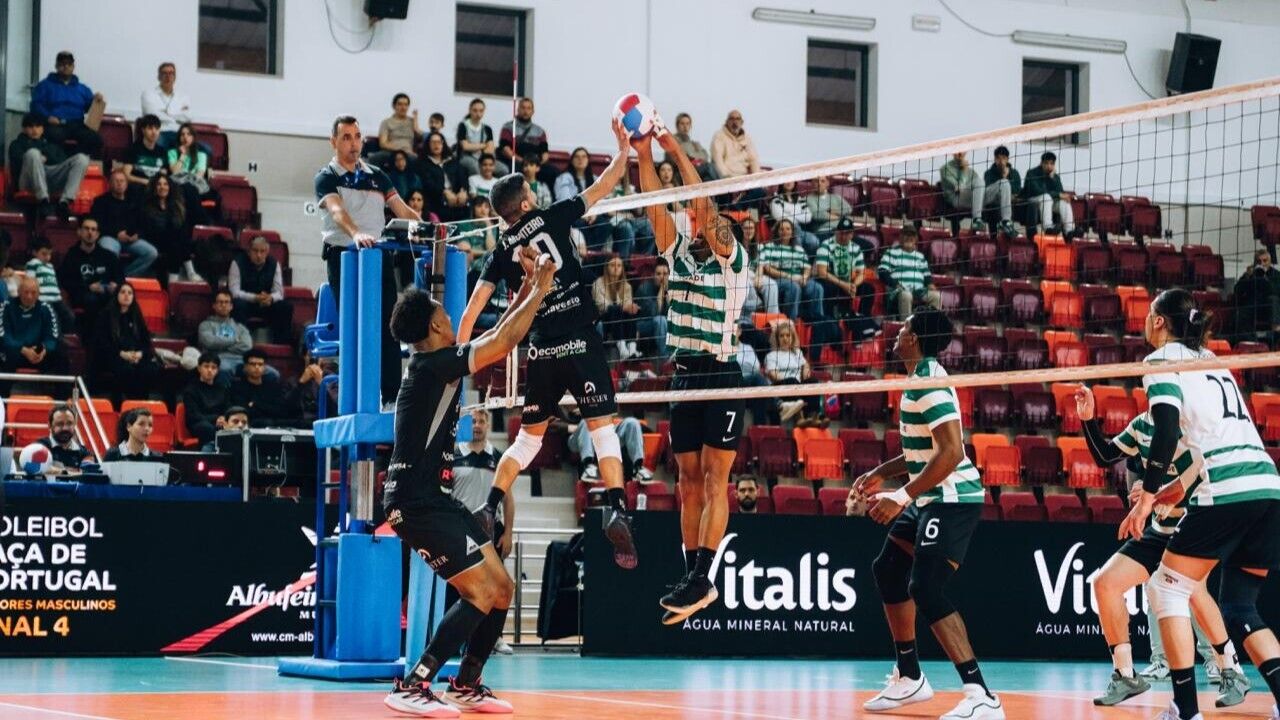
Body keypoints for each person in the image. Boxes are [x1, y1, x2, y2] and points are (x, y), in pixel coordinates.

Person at [380, 251, 555, 716]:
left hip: (434, 499)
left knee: (501, 588)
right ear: (436, 328)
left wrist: (527, 288)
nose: (450, 314)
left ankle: (467, 682)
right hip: (415, 504)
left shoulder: (436, 361)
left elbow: (502, 333)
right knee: (480, 592)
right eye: (443, 311)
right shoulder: (433, 365)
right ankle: (414, 683)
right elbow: (503, 340)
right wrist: (539, 289)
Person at [459, 119, 639, 571]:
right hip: (580, 338)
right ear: (525, 201)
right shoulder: (552, 216)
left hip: (541, 348)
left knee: (525, 442)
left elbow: (472, 308)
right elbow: (603, 186)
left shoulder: (500, 249)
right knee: (602, 431)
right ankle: (617, 507)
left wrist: (458, 358)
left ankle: (491, 504)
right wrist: (623, 149)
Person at [1122, 289, 1280, 720]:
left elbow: (1167, 432)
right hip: (1267, 486)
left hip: (1228, 490)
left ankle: (1185, 709)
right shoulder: (1212, 360)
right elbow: (1210, 440)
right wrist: (1174, 489)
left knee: (1166, 589)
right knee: (1239, 606)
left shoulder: (1159, 361)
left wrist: (1147, 497)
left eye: (1148, 313)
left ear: (1158, 321)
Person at [851, 309, 1003, 719]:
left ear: (915, 338)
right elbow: (922, 451)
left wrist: (899, 496)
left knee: (926, 586)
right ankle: (910, 677)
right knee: (888, 569)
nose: (895, 334)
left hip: (953, 498)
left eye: (901, 329)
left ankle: (981, 696)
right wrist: (878, 473)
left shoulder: (931, 383)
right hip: (928, 497)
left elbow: (952, 453)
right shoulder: (918, 379)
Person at [630, 114, 750, 623]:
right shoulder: (676, 246)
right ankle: (691, 575)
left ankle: (705, 576)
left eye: (701, 220)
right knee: (688, 481)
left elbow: (698, 200)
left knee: (716, 480)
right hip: (685, 374)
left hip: (721, 373)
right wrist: (640, 152)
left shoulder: (731, 253)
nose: (694, 225)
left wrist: (670, 144)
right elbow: (657, 198)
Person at [1073, 386, 1250, 708]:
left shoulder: (1193, 429)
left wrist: (1151, 496)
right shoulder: (1141, 425)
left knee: (1193, 591)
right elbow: (1105, 455)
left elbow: (1189, 483)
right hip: (1160, 528)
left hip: (1195, 524)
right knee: (1105, 583)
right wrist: (1088, 420)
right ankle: (1126, 675)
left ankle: (1231, 669)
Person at [315, 115, 423, 407]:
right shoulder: (326, 176)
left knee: (390, 325)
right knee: (355, 327)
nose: (353, 143)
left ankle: (389, 398)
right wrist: (357, 233)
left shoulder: (377, 175)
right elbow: (337, 212)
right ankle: (355, 397)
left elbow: (401, 209)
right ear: (333, 141)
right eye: (346, 137)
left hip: (378, 258)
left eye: (357, 136)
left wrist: (429, 227)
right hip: (345, 258)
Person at [450, 409, 514, 558]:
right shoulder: (452, 456)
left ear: (488, 425)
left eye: (481, 422)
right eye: (473, 422)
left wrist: (508, 533)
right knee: (459, 581)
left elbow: (508, 499)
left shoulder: (500, 458)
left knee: (492, 581)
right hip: (460, 530)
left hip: (492, 531)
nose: (477, 426)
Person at [9, 112, 90, 220]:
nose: (34, 130)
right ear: (24, 129)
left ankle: (64, 203)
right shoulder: (16, 144)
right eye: (30, 127)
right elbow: (17, 165)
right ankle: (43, 200)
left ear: (42, 129)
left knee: (82, 159)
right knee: (33, 154)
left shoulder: (51, 145)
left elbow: (62, 161)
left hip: (51, 179)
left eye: (38, 126)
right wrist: (37, 158)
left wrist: (46, 158)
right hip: (28, 181)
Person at [0, 277, 69, 399]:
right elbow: (4, 336)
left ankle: (61, 404)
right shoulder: (6, 307)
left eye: (33, 293)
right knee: (5, 355)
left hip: (38, 353)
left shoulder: (46, 308)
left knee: (62, 357)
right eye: (26, 292)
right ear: (19, 292)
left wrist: (44, 350)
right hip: (15, 352)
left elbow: (53, 336)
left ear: (39, 294)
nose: (29, 296)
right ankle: (3, 403)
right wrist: (23, 350)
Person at [93, 282, 160, 403]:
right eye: (123, 292)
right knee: (125, 370)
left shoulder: (136, 315)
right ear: (116, 295)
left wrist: (140, 354)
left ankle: (141, 404)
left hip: (134, 356)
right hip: (113, 355)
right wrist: (122, 354)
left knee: (150, 369)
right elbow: (102, 342)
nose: (126, 295)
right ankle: (119, 404)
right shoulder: (106, 314)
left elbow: (146, 341)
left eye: (130, 293)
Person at [30, 51, 103, 156]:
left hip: (77, 125)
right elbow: (35, 105)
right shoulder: (45, 85)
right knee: (54, 136)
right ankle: (59, 163)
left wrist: (96, 101)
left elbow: (89, 108)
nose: (66, 67)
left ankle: (76, 161)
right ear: (56, 66)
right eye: (62, 64)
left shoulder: (82, 89)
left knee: (95, 139)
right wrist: (47, 117)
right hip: (56, 124)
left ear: (73, 66)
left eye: (69, 64)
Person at [58, 216, 122, 333]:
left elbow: (120, 278)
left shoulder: (109, 256)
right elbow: (65, 281)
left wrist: (115, 286)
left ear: (98, 234)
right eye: (86, 229)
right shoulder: (71, 256)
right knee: (91, 299)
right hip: (82, 296)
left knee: (123, 298)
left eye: (93, 229)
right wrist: (88, 287)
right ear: (79, 232)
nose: (90, 233)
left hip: (106, 296)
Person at [91, 169, 159, 276]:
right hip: (110, 237)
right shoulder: (100, 201)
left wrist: (137, 235)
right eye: (116, 181)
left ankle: (124, 276)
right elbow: (97, 225)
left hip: (130, 240)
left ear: (127, 184)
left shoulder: (134, 201)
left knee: (151, 253)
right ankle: (111, 279)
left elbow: (143, 223)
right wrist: (116, 234)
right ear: (109, 184)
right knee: (109, 251)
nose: (119, 183)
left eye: (122, 181)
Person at [229, 236, 293, 344]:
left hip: (266, 304)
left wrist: (270, 298)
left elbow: (279, 292)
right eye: (255, 251)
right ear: (249, 251)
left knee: (285, 307)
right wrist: (255, 298)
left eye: (262, 251)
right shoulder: (237, 263)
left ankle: (280, 346)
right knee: (237, 304)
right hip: (246, 304)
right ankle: (240, 342)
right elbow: (234, 291)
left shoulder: (274, 264)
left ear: (267, 252)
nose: (259, 255)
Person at [758, 219, 823, 322]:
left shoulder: (798, 249)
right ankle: (790, 321)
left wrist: (805, 277)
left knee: (817, 287)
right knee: (794, 287)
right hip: (779, 279)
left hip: (799, 278)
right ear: (777, 232)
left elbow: (807, 267)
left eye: (788, 229)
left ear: (792, 232)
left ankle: (817, 321)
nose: (785, 231)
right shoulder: (769, 247)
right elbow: (767, 268)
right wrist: (790, 277)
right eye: (781, 229)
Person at [765, 319, 823, 426]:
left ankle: (814, 417)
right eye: (782, 336)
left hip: (797, 386)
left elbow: (805, 365)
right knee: (792, 380)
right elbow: (774, 376)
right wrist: (794, 382)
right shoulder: (771, 356)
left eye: (788, 335)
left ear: (792, 337)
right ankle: (799, 417)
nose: (785, 338)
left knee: (813, 381)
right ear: (777, 339)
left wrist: (806, 369)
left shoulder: (797, 353)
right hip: (780, 388)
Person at [142, 174, 199, 282]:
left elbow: (180, 225)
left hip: (172, 242)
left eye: (165, 184)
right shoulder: (147, 206)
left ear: (170, 187)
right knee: (177, 238)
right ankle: (189, 271)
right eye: (159, 184)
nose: (162, 187)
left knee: (179, 235)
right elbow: (150, 229)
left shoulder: (176, 205)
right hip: (154, 240)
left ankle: (174, 277)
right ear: (154, 188)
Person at [815, 216, 873, 320]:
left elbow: (862, 273)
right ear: (836, 232)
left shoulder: (856, 247)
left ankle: (863, 319)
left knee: (868, 289)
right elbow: (822, 272)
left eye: (847, 233)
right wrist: (844, 285)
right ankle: (829, 319)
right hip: (830, 281)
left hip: (847, 282)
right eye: (841, 233)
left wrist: (853, 285)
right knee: (828, 288)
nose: (844, 236)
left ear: (852, 234)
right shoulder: (826, 245)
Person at [229, 348, 300, 428]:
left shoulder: (273, 387)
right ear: (245, 366)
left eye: (260, 364)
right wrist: (267, 408)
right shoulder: (238, 387)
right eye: (253, 364)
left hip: (275, 426)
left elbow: (281, 411)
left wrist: (255, 405)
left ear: (265, 367)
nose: (257, 367)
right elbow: (243, 412)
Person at [880, 225, 940, 318]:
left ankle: (930, 328)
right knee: (906, 295)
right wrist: (895, 284)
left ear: (916, 239)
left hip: (919, 291)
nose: (909, 238)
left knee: (936, 296)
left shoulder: (920, 256)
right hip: (900, 290)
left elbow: (927, 276)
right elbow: (882, 272)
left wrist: (930, 285)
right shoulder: (890, 253)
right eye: (906, 235)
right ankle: (906, 328)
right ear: (900, 237)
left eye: (912, 236)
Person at [710, 110, 765, 210]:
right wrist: (728, 178)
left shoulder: (747, 138)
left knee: (759, 191)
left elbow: (754, 160)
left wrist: (756, 178)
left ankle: (735, 208)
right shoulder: (719, 136)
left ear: (742, 122)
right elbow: (717, 160)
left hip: (744, 180)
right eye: (732, 119)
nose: (735, 122)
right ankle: (732, 210)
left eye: (737, 119)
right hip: (726, 179)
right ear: (727, 121)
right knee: (725, 191)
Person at [571, 413, 651, 482]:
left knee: (632, 422)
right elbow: (558, 425)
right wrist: (571, 427)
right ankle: (588, 466)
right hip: (578, 435)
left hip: (603, 432)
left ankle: (637, 467)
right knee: (588, 421)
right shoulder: (563, 403)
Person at [941, 152, 1005, 234]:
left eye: (962, 152)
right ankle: (976, 222)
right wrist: (963, 172)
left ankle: (980, 229)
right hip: (956, 200)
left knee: (992, 205)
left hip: (971, 201)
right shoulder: (946, 169)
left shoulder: (971, 172)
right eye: (957, 152)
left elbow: (979, 189)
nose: (960, 154)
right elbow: (957, 188)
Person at [592, 254, 641, 360]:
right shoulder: (598, 283)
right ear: (606, 268)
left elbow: (627, 305)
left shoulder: (627, 286)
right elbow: (601, 305)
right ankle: (622, 349)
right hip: (603, 319)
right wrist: (623, 307)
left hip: (621, 319)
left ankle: (632, 349)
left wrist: (629, 307)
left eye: (619, 265)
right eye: (612, 265)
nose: (616, 268)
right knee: (615, 309)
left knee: (630, 312)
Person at [198, 290, 255, 379]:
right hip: (218, 359)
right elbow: (210, 342)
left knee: (272, 373)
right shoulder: (205, 325)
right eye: (220, 302)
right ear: (214, 306)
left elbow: (247, 346)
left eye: (226, 302)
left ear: (231, 306)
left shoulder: (240, 327)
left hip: (241, 360)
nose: (224, 305)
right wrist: (235, 340)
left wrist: (221, 346)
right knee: (224, 369)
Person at [1024, 151, 1078, 238]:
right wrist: (1058, 194)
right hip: (1032, 200)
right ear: (1041, 163)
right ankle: (1048, 227)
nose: (1049, 166)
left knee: (1064, 202)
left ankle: (1069, 231)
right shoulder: (1031, 173)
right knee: (1046, 197)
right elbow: (1037, 190)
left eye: (1051, 164)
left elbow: (1060, 192)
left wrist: (1053, 180)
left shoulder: (1055, 177)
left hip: (1048, 202)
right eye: (1046, 163)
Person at [498, 97, 551, 186]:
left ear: (533, 111)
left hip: (535, 162)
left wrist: (536, 164)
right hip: (516, 162)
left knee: (552, 172)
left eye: (528, 108)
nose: (525, 111)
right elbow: (506, 150)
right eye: (523, 108)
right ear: (518, 110)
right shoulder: (509, 127)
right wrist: (524, 161)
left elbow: (545, 153)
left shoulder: (540, 131)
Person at [25, 236, 75, 330]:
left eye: (49, 254)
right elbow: (29, 282)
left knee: (70, 316)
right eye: (44, 254)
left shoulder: (50, 266)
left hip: (57, 299)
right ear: (34, 252)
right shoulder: (33, 263)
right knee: (54, 320)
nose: (47, 257)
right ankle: (57, 339)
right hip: (44, 299)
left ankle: (67, 334)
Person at [182, 351, 229, 448]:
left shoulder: (222, 388)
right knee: (206, 427)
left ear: (218, 370)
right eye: (206, 366)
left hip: (219, 424)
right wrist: (216, 418)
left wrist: (224, 418)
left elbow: (227, 408)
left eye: (213, 367)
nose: (210, 370)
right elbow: (193, 415)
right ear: (199, 368)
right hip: (198, 424)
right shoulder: (191, 390)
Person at [140, 62, 192, 147]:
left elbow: (188, 117)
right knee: (162, 148)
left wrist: (166, 112)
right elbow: (152, 115)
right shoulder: (148, 94)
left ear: (175, 77)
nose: (168, 76)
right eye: (164, 73)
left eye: (171, 73)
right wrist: (177, 114)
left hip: (179, 134)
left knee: (206, 149)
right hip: (159, 132)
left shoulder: (184, 97)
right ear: (159, 77)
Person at [419, 131, 469, 220]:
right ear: (428, 145)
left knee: (467, 205)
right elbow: (428, 184)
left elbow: (463, 178)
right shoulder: (423, 164)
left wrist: (463, 191)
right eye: (433, 142)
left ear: (443, 144)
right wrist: (444, 192)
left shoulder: (452, 161)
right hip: (437, 199)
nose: (436, 145)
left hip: (456, 197)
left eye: (439, 142)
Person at [1233, 248, 1280, 339]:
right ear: (1255, 263)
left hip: (1270, 307)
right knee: (1240, 313)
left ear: (1270, 262)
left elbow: (1275, 292)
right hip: (1254, 306)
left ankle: (1276, 331)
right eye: (1259, 261)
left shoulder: (1276, 274)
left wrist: (1265, 279)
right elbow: (1237, 290)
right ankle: (1248, 340)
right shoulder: (1250, 274)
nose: (1262, 264)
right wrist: (1247, 276)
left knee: (1273, 299)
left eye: (1265, 261)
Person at [36, 403, 93, 475]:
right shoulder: (39, 447)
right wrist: (68, 473)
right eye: (60, 424)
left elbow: (88, 474)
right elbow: (38, 468)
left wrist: (55, 470)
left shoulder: (85, 453)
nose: (65, 428)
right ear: (50, 426)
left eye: (69, 423)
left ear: (74, 425)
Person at [456, 97, 505, 178]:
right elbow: (465, 146)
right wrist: (483, 145)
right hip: (467, 157)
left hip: (483, 158)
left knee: (503, 169)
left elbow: (490, 149)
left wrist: (475, 147)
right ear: (470, 110)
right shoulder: (463, 126)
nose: (478, 114)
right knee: (476, 168)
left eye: (481, 111)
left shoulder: (487, 128)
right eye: (475, 110)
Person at [371, 93, 423, 167]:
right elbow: (383, 143)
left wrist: (416, 119)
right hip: (390, 152)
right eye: (400, 104)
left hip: (408, 154)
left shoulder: (412, 121)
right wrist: (401, 150)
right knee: (374, 158)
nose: (403, 107)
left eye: (406, 105)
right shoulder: (386, 122)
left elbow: (421, 136)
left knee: (419, 161)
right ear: (394, 106)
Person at [121, 114, 168, 196]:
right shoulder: (133, 149)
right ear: (143, 130)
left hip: (156, 187)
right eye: (150, 128)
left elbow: (164, 173)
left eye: (157, 129)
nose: (154, 132)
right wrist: (145, 181)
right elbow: (126, 175)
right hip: (138, 186)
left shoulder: (162, 151)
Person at [770, 181, 819, 257]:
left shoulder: (800, 199)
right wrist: (798, 215)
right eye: (786, 180)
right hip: (783, 230)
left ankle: (807, 263)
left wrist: (790, 213)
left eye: (791, 180)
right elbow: (779, 216)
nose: (789, 183)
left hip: (800, 229)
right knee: (797, 241)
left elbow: (808, 217)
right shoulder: (776, 198)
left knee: (814, 241)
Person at [635, 256, 670, 359]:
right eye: (658, 274)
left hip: (662, 324)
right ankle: (665, 357)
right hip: (643, 324)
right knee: (660, 320)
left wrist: (668, 300)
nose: (662, 277)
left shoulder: (673, 288)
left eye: (665, 274)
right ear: (653, 275)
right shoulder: (644, 288)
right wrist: (661, 292)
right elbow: (653, 313)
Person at [165, 122, 212, 198]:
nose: (185, 137)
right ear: (179, 138)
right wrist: (182, 155)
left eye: (189, 134)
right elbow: (175, 172)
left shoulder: (201, 155)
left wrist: (188, 183)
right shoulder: (172, 152)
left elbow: (199, 175)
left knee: (189, 190)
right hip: (177, 185)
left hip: (194, 186)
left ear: (193, 138)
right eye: (182, 134)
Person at [666, 113, 718, 181]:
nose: (685, 126)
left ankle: (724, 190)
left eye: (687, 124)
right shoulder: (672, 141)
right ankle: (725, 187)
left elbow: (705, 156)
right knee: (709, 167)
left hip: (696, 170)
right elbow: (675, 161)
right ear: (677, 126)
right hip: (681, 174)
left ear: (690, 126)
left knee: (707, 178)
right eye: (682, 123)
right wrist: (696, 154)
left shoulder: (694, 143)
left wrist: (691, 154)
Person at [982, 146, 1020, 236]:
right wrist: (1004, 177)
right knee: (1004, 183)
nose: (1001, 161)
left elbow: (1017, 190)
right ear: (995, 159)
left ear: (1007, 159)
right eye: (998, 158)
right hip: (990, 199)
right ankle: (1006, 222)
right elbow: (989, 187)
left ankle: (1006, 226)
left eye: (1003, 158)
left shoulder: (1014, 173)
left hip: (1005, 202)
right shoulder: (988, 173)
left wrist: (1007, 177)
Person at [804, 176, 854, 240]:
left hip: (841, 231)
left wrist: (832, 211)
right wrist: (839, 216)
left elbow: (848, 209)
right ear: (812, 183)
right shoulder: (808, 199)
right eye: (816, 181)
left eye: (822, 181)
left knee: (867, 245)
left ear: (827, 183)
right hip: (823, 231)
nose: (819, 184)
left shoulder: (836, 197)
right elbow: (817, 215)